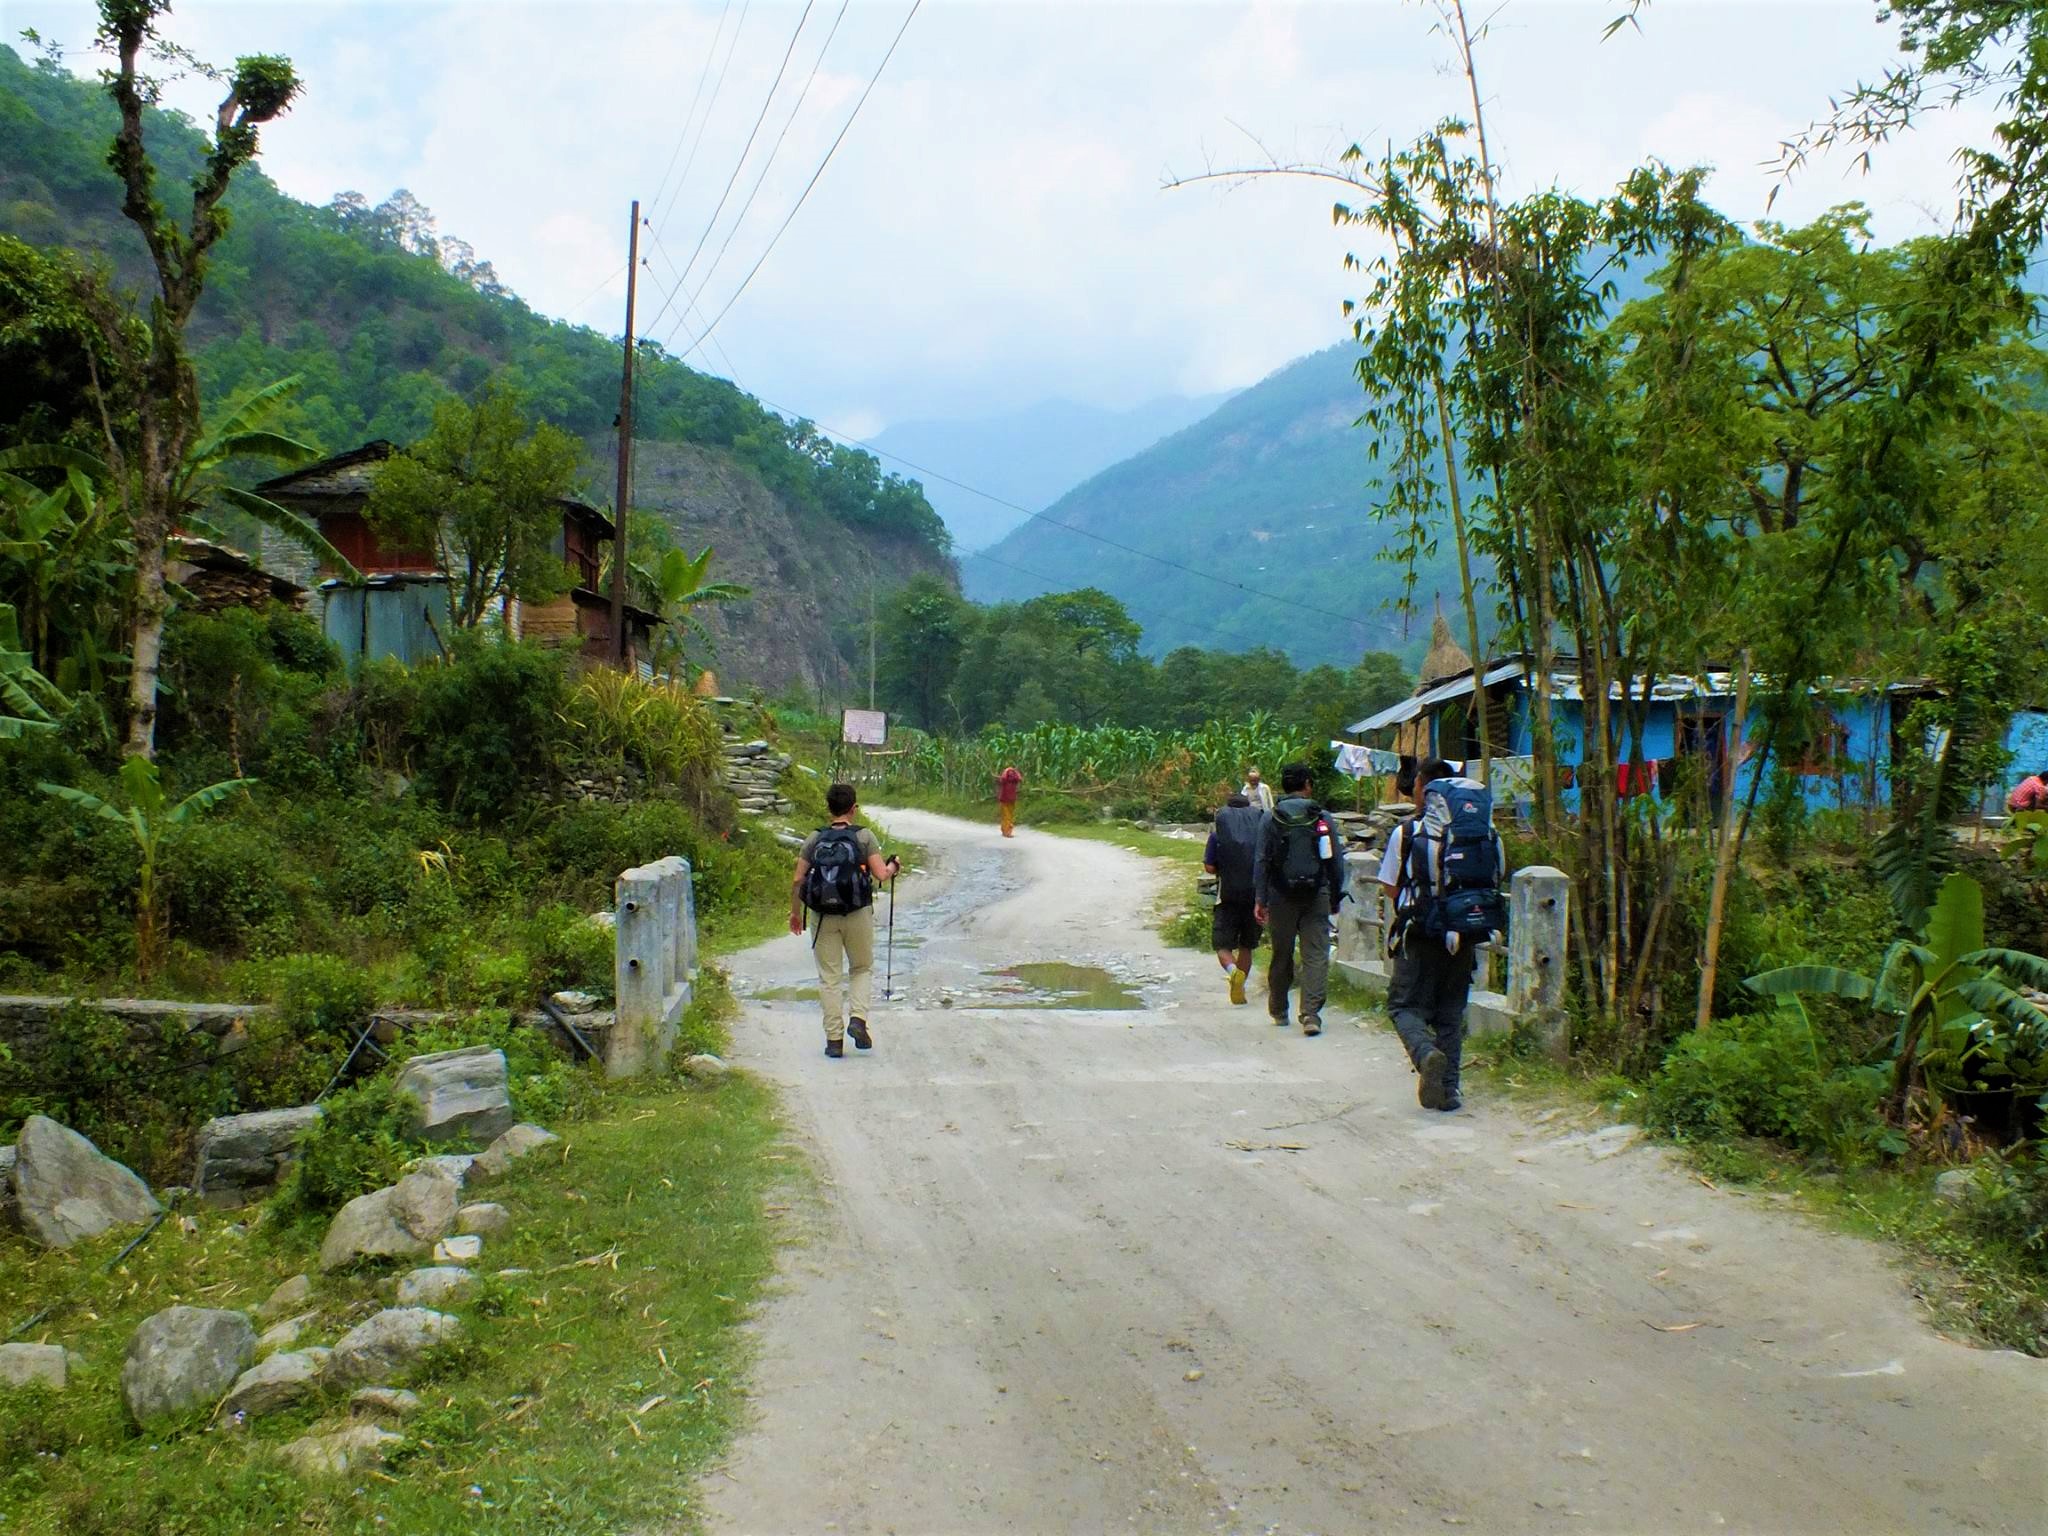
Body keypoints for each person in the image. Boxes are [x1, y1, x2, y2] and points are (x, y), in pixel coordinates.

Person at [1379, 757, 1508, 1111]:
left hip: (1418, 933)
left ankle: (1425, 1054)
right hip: (1465, 933)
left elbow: (1390, 887)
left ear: (1425, 789)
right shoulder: (1487, 833)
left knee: (1403, 1006)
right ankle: (1449, 1090)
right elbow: (1497, 878)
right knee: (1451, 1012)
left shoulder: (1408, 833)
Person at [790, 783, 901, 1058]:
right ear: (854, 808)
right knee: (861, 968)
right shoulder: (863, 836)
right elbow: (880, 874)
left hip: (823, 916)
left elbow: (797, 879)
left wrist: (795, 913)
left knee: (829, 977)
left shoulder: (815, 839)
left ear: (828, 808)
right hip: (858, 911)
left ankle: (834, 1041)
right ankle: (858, 1019)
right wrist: (894, 866)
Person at [1253, 763, 1345, 1035]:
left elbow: (1261, 860)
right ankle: (1311, 1015)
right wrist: (1336, 894)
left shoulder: (1271, 818)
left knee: (1282, 952)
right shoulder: (1322, 816)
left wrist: (1260, 898)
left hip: (1280, 895)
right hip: (1317, 893)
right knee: (1315, 953)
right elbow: (1335, 861)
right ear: (1307, 784)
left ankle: (1279, 1009)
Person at [1204, 792, 1265, 1005]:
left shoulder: (1218, 834)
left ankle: (1232, 972)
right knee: (1247, 945)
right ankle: (1241, 984)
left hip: (1227, 896)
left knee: (1222, 946)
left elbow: (1209, 866)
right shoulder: (1259, 833)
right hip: (1254, 896)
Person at [997, 764, 1024, 837]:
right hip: (1011, 799)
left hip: (1004, 799)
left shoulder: (1004, 778)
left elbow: (1001, 779)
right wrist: (1016, 771)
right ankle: (1007, 831)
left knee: (1005, 815)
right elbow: (1020, 778)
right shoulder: (1015, 779)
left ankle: (1005, 831)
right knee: (1009, 816)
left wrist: (1005, 771)